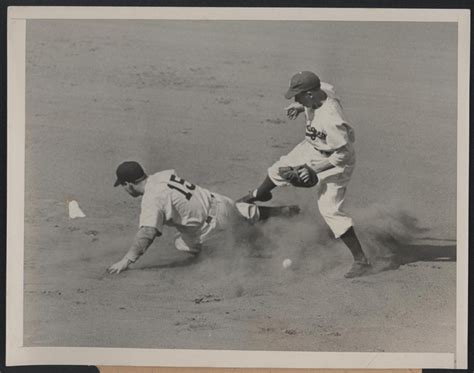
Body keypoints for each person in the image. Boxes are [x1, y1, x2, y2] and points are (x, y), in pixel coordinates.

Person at [238, 71, 371, 278]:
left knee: (329, 210)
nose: (294, 98)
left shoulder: (332, 120)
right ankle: (258, 195)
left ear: (310, 94)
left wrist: (313, 170)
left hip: (336, 162)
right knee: (278, 169)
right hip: (312, 148)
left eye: (298, 96)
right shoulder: (321, 90)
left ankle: (361, 261)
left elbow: (343, 154)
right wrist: (301, 107)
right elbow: (326, 86)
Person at [108, 161, 299, 274]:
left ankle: (257, 246)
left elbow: (147, 233)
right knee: (230, 212)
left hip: (215, 227)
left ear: (128, 184)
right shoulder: (161, 176)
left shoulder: (151, 198)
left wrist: (126, 260)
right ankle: (268, 212)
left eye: (123, 186)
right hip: (222, 203)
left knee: (182, 243)